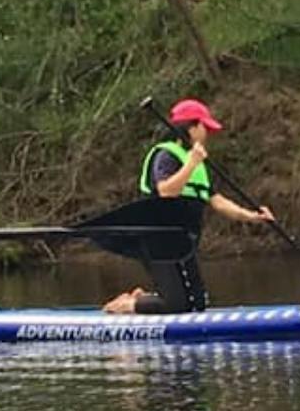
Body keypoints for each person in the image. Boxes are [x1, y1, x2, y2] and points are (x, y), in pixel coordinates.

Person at [103, 98, 274, 314]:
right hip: (157, 239)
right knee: (176, 305)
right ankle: (127, 305)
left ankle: (141, 298)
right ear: (191, 128)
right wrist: (191, 163)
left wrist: (252, 216)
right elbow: (166, 191)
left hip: (182, 239)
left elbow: (217, 201)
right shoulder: (166, 156)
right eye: (205, 128)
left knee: (197, 303)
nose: (208, 135)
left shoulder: (197, 163)